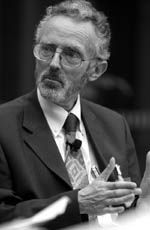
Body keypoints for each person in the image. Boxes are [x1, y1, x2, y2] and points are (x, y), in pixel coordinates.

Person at [0, 0, 142, 229]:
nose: (54, 63)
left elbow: (127, 209)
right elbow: (4, 217)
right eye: (47, 49)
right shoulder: (4, 126)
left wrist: (142, 207)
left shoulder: (115, 125)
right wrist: (78, 204)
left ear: (96, 70)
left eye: (71, 54)